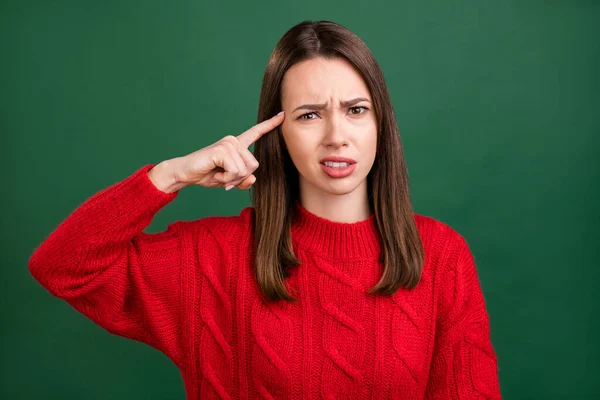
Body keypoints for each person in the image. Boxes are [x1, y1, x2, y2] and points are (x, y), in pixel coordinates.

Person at [28, 20, 501, 399]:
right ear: (278, 133)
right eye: (309, 115)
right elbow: (63, 267)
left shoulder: (440, 255)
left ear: (381, 123)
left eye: (356, 109)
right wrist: (170, 175)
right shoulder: (213, 258)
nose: (337, 134)